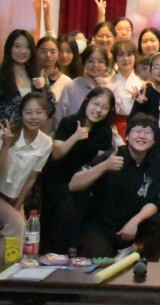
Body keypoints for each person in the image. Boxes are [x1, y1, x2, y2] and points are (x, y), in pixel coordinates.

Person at [71, 114, 160, 260]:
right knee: (103, 264)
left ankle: (145, 262)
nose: (142, 136)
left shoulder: (159, 163)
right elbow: (74, 184)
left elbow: (157, 201)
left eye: (148, 132)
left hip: (134, 225)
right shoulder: (112, 156)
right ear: (127, 136)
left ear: (154, 139)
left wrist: (135, 221)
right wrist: (105, 166)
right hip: (102, 227)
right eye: (137, 131)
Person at [0, 92, 52, 257]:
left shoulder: (46, 142)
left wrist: (18, 205)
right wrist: (6, 145)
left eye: (39, 112)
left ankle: (4, 268)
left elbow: (31, 177)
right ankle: (0, 269)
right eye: (28, 112)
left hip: (11, 197)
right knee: (16, 225)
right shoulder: (6, 135)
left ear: (46, 115)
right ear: (21, 114)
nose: (33, 117)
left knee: (22, 237)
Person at [43, 87, 117, 254]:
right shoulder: (69, 122)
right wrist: (75, 137)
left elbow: (99, 161)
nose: (99, 110)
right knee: (65, 208)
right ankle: (56, 253)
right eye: (96, 104)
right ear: (87, 102)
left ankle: (77, 250)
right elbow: (56, 154)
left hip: (84, 178)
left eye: (104, 107)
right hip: (59, 177)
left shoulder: (105, 131)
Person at [0, 30, 55, 130]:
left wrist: (44, 88)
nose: (23, 51)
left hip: (34, 135)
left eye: (27, 47)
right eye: (17, 46)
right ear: (9, 48)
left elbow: (51, 111)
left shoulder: (39, 76)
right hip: (7, 136)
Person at [129, 51, 160, 159]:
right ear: (150, 71)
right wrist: (138, 103)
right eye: (156, 67)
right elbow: (132, 122)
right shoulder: (145, 91)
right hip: (149, 146)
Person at [54, 44, 111, 127]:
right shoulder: (71, 87)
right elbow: (60, 117)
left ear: (105, 65)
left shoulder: (109, 88)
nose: (95, 65)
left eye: (100, 61)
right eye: (90, 61)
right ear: (84, 63)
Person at [110, 39, 146, 139]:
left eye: (129, 54)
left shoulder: (143, 84)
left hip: (136, 128)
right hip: (112, 127)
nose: (125, 59)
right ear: (115, 58)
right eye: (120, 55)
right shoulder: (107, 82)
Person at [37, 35, 71, 105]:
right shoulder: (28, 76)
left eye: (53, 52)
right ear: (36, 52)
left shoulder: (67, 82)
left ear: (58, 54)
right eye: (43, 51)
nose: (48, 55)